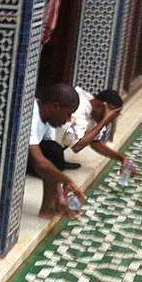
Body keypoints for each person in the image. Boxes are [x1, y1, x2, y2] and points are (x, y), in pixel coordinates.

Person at [27, 83, 85, 218]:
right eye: (68, 114)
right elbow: (39, 162)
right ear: (55, 107)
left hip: (26, 159)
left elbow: (50, 159)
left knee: (54, 150)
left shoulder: (48, 120)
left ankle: (48, 207)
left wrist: (60, 197)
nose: (68, 120)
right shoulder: (31, 114)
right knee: (52, 152)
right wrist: (67, 181)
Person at [62, 87, 136, 175]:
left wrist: (122, 158)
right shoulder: (80, 108)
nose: (111, 120)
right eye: (110, 115)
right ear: (101, 105)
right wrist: (104, 121)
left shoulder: (92, 108)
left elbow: (95, 142)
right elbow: (77, 146)